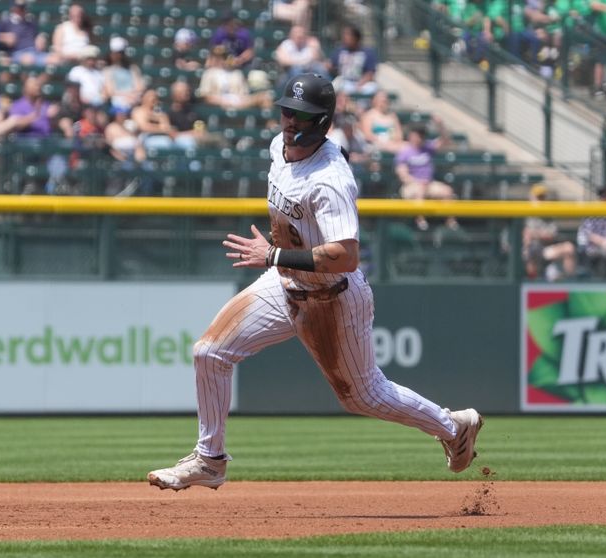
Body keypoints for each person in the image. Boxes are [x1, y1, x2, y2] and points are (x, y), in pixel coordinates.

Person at [146, 74, 483, 492]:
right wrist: (279, 257)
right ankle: (210, 460)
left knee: (362, 396)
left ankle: (455, 426)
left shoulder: (330, 179)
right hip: (286, 282)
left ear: (321, 121)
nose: (288, 120)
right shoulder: (278, 146)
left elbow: (345, 256)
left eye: (299, 114)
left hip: (333, 296)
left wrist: (272, 255)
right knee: (210, 352)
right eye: (286, 110)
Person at [395, 120, 458, 231]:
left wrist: (440, 125)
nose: (420, 137)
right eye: (418, 134)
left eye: (422, 135)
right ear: (411, 135)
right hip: (411, 186)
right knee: (420, 190)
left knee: (447, 191)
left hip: (429, 183)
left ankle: (450, 223)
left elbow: (445, 140)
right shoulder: (405, 151)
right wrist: (417, 181)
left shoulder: (427, 148)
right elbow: (402, 175)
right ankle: (421, 222)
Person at [522, 184, 577, 280]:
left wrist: (535, 234)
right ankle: (531, 281)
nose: (541, 201)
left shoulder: (548, 215)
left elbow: (550, 236)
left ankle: (570, 281)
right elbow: (526, 236)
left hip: (545, 250)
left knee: (569, 248)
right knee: (530, 250)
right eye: (538, 198)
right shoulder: (523, 212)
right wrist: (535, 235)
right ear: (531, 198)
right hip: (530, 250)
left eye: (543, 197)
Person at [197, 46, 273, 110]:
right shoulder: (209, 73)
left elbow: (244, 94)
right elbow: (205, 96)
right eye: (217, 57)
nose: (220, 60)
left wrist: (237, 101)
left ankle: (272, 126)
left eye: (223, 57)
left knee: (265, 96)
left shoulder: (237, 73)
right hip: (220, 102)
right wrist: (225, 101)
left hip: (239, 102)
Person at [0, 0, 60, 66]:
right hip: (18, 53)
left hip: (35, 52)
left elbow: (37, 36)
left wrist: (40, 38)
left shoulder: (30, 23)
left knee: (55, 60)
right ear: (13, 8)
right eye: (20, 8)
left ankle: (36, 76)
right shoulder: (6, 23)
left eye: (23, 8)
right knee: (28, 60)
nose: (22, 10)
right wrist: (4, 37)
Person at [328, 24, 379, 95]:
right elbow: (330, 66)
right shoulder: (339, 50)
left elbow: (370, 73)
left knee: (373, 87)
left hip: (360, 83)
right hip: (343, 82)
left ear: (356, 37)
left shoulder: (367, 52)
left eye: (347, 34)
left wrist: (360, 84)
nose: (344, 37)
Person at [103, 37, 145, 111]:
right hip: (118, 100)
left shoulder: (133, 68)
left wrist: (132, 96)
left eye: (120, 53)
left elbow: (140, 87)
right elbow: (110, 91)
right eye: (115, 53)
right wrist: (126, 96)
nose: (118, 56)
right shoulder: (108, 70)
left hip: (133, 98)